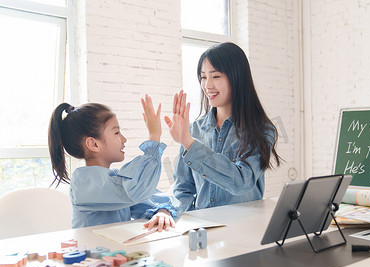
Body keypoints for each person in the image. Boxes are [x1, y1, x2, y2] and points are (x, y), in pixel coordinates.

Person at [165, 42, 282, 213]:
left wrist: (189, 144)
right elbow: (183, 189)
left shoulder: (262, 130)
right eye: (203, 77)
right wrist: (167, 212)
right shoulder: (194, 130)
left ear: (237, 77)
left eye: (216, 76)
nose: (207, 85)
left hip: (244, 230)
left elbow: (241, 181)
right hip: (204, 231)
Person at [48, 95, 179, 230]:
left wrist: (162, 212)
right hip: (91, 249)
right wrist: (154, 137)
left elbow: (156, 201)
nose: (124, 139)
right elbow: (137, 191)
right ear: (93, 144)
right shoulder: (82, 182)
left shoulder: (117, 180)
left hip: (117, 250)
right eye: (116, 132)